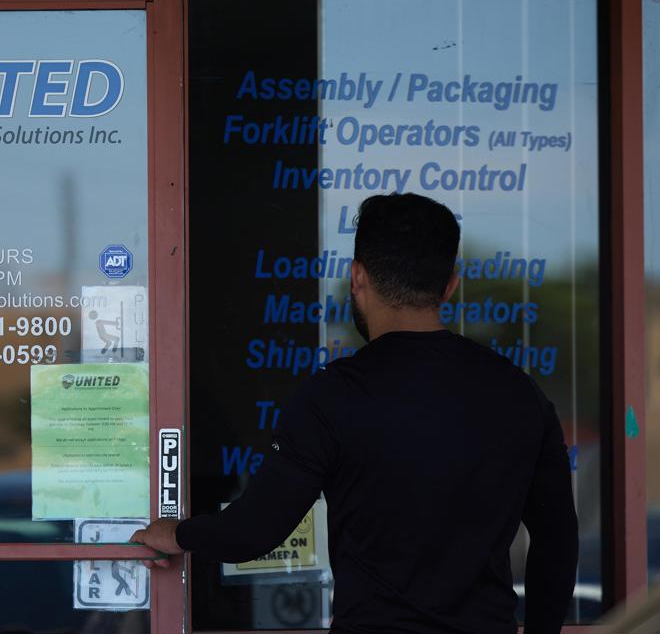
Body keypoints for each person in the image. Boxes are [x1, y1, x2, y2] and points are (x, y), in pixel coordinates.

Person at [131, 192, 579, 634]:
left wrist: (177, 533)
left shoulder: (333, 396)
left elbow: (253, 532)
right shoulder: (519, 394)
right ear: (449, 285)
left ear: (357, 278)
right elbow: (557, 541)